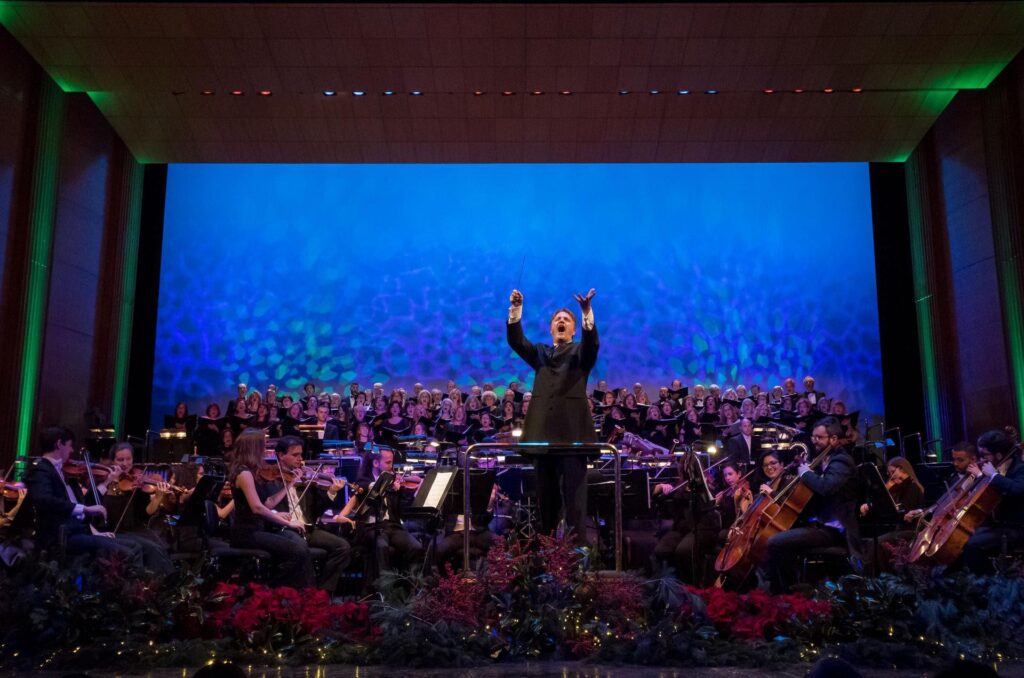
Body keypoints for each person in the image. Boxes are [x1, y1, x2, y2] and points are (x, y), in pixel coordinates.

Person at [506, 287, 599, 542]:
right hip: (543, 440)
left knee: (575, 508)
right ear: (551, 329)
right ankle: (547, 557)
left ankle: (576, 559)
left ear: (573, 329)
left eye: (566, 320)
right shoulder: (540, 354)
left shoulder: (580, 352)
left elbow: (592, 344)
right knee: (546, 507)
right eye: (557, 319)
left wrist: (586, 312)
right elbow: (517, 341)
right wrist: (516, 309)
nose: (561, 321)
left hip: (572, 440)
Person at [22, 427, 143, 567]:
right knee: (128, 553)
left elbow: (87, 503)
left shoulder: (63, 472)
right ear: (59, 444)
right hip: (62, 536)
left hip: (80, 531)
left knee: (135, 547)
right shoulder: (41, 470)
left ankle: (142, 581)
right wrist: (85, 509)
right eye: (70, 445)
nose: (72, 450)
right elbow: (45, 500)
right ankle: (131, 582)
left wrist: (107, 481)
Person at [764, 417, 861, 593]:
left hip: (834, 530)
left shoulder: (842, 461)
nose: (814, 441)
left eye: (819, 437)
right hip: (817, 525)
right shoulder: (821, 459)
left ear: (833, 439)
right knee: (773, 539)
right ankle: (785, 589)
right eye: (813, 437)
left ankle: (788, 593)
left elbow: (826, 487)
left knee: (775, 542)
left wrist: (805, 473)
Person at [261, 436, 353, 592]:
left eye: (301, 454)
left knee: (342, 547)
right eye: (295, 455)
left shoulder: (305, 478)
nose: (300, 459)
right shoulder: (269, 477)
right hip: (284, 529)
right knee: (301, 548)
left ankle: (323, 592)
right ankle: (302, 593)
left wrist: (331, 492)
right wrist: (277, 514)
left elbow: (317, 510)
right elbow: (263, 505)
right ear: (281, 455)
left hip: (307, 528)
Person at [228, 429, 313, 587]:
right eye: (262, 446)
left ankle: (301, 592)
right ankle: (270, 589)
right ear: (254, 447)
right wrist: (288, 523)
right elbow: (257, 508)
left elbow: (268, 503)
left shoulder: (251, 471)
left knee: (299, 549)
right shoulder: (243, 473)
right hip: (247, 533)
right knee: (297, 551)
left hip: (258, 530)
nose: (264, 450)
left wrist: (290, 484)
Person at [339, 449, 424, 573]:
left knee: (416, 547)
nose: (391, 467)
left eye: (392, 463)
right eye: (388, 463)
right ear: (376, 463)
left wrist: (404, 493)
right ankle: (384, 583)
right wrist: (384, 485)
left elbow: (402, 510)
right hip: (371, 527)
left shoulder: (394, 481)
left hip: (391, 526)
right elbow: (364, 485)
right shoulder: (363, 481)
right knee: (381, 546)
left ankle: (409, 581)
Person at [960, 429, 1024, 574]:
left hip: (1017, 528)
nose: (981, 459)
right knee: (963, 539)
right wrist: (978, 477)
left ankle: (987, 581)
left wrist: (993, 476)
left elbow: (1017, 489)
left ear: (999, 455)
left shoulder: (1020, 468)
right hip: (999, 525)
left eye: (984, 455)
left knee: (973, 545)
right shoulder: (996, 467)